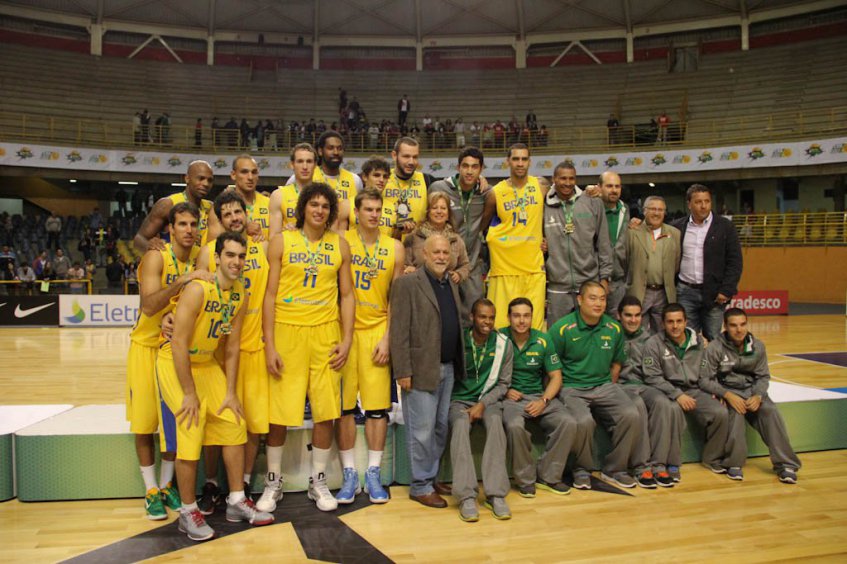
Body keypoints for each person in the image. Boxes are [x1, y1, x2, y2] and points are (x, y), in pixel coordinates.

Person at [157, 232, 274, 541]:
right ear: (217, 258)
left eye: (241, 256)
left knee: (234, 421)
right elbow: (179, 343)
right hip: (175, 362)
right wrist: (189, 393)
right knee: (192, 425)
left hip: (206, 363)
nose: (236, 262)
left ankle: (236, 500)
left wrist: (232, 392)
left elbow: (232, 348)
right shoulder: (198, 290)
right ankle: (187, 511)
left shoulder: (239, 294)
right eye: (230, 255)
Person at [262, 183, 355, 513]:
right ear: (302, 208)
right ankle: (273, 481)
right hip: (287, 332)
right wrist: (269, 344)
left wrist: (346, 339)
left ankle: (318, 481)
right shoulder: (280, 242)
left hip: (326, 333)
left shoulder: (340, 245)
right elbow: (269, 296)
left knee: (325, 411)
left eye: (325, 206)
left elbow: (347, 296)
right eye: (313, 204)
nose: (319, 210)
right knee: (279, 414)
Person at [126, 202, 209, 520]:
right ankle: (149, 491)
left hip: (174, 349)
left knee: (175, 421)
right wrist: (182, 281)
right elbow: (149, 306)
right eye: (182, 224)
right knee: (146, 423)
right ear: (170, 229)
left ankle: (165, 485)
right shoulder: (156, 256)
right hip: (146, 346)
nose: (189, 229)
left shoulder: (201, 254)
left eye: (193, 224)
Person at [194, 191, 271, 515]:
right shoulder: (208, 253)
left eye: (239, 212)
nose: (235, 218)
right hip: (219, 353)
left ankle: (244, 483)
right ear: (219, 221)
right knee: (217, 425)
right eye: (227, 214)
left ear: (246, 213)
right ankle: (212, 483)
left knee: (252, 424)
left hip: (254, 347)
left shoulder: (264, 246)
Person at [333, 188, 405, 505]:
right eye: (369, 209)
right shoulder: (340, 241)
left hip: (377, 329)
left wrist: (389, 337)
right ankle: (350, 473)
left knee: (377, 409)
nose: (375, 215)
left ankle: (373, 473)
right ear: (357, 212)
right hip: (344, 330)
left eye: (379, 209)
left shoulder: (396, 248)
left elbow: (396, 299)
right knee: (345, 407)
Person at [390, 234, 464, 509]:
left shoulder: (450, 284)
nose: (442, 256)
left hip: (447, 368)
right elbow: (398, 331)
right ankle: (420, 485)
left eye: (446, 252)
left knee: (439, 429)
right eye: (437, 252)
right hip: (419, 369)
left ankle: (430, 478)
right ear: (424, 253)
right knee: (421, 431)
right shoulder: (407, 284)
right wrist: (403, 371)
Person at [549, 281, 645, 489]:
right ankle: (581, 469)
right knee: (583, 421)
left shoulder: (613, 328)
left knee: (631, 413)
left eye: (602, 299)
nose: (599, 303)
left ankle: (615, 469)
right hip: (572, 387)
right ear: (580, 300)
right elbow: (550, 368)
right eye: (593, 298)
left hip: (604, 385)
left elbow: (617, 362)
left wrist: (607, 390)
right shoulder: (561, 329)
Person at [699, 308, 801, 483]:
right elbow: (704, 380)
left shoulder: (758, 346)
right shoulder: (715, 348)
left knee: (770, 411)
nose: (739, 330)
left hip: (752, 391)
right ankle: (734, 463)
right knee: (735, 413)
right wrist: (726, 395)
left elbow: (763, 376)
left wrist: (759, 395)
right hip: (729, 391)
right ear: (725, 326)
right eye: (733, 325)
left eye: (742, 324)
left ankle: (785, 464)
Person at [501, 297, 587, 496]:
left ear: (532, 318)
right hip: (511, 398)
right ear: (508, 318)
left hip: (539, 396)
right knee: (514, 426)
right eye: (516, 316)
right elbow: (487, 373)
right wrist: (504, 390)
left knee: (568, 422)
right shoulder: (500, 338)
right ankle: (525, 480)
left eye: (526, 316)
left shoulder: (543, 339)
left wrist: (544, 401)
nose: (521, 321)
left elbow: (556, 377)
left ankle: (549, 476)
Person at [641, 303, 731, 481]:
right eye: (670, 322)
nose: (675, 326)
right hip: (667, 390)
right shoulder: (653, 343)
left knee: (720, 412)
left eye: (679, 321)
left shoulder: (699, 343)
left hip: (695, 389)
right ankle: (669, 463)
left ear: (686, 322)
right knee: (673, 412)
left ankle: (711, 458)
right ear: (663, 324)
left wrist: (716, 390)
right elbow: (652, 377)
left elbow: (709, 371)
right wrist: (677, 394)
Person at [449, 299, 512, 522]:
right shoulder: (459, 341)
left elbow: (504, 383)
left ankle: (495, 494)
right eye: (483, 317)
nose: (487, 322)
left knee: (496, 423)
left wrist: (483, 403)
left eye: (491, 317)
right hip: (459, 399)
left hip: (489, 400)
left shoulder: (504, 343)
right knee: (459, 425)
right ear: (472, 318)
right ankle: (466, 495)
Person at [617, 296, 684, 486]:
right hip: (621, 387)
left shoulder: (650, 340)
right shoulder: (611, 336)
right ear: (619, 316)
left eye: (637, 315)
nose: (633, 320)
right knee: (637, 405)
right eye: (628, 315)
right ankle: (641, 466)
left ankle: (659, 465)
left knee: (663, 402)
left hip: (645, 386)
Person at [481, 144, 547, 330]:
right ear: (507, 161)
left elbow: (561, 206)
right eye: (516, 159)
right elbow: (482, 226)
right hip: (503, 268)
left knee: (533, 327)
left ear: (529, 162)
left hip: (533, 269)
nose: (520, 163)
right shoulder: (496, 192)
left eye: (524, 159)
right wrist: (494, 241)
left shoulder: (541, 186)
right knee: (500, 327)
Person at [429, 147, 493, 324]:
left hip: (471, 265)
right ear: (458, 167)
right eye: (465, 166)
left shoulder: (486, 193)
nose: (469, 171)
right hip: (444, 265)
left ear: (481, 169)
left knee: (474, 316)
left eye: (474, 167)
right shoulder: (439, 187)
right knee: (444, 316)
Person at [672, 184, 743, 341]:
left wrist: (727, 289)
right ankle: (693, 366)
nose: (703, 206)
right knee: (688, 338)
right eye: (698, 202)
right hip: (685, 292)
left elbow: (735, 261)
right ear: (689, 204)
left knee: (713, 337)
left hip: (715, 294)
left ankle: (715, 366)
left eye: (707, 201)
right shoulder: (676, 227)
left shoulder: (725, 227)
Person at [543, 162, 612, 325]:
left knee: (591, 334)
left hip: (588, 282)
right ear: (554, 179)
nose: (567, 183)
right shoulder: (543, 204)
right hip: (557, 286)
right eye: (563, 178)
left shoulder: (592, 202)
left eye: (571, 178)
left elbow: (603, 243)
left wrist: (605, 278)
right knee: (558, 336)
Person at [134, 160, 214, 253]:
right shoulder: (168, 204)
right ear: (187, 178)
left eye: (210, 180)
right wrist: (153, 249)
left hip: (202, 265)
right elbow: (139, 239)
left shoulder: (212, 208)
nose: (206, 184)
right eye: (201, 178)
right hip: (174, 265)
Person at [626, 196, 680, 333]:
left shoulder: (674, 234)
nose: (656, 213)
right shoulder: (632, 231)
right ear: (644, 211)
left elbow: (676, 263)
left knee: (663, 334)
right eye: (653, 209)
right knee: (637, 333)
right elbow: (625, 260)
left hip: (664, 293)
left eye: (660, 210)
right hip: (639, 291)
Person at [403, 192, 470, 284]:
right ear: (428, 212)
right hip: (418, 287)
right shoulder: (413, 237)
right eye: (434, 208)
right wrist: (408, 269)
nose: (439, 211)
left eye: (443, 208)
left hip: (447, 289)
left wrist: (459, 274)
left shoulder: (456, 239)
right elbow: (403, 263)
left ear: (448, 213)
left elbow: (465, 265)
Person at [287, 130, 362, 204]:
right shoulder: (304, 176)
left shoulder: (355, 180)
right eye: (330, 148)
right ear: (320, 151)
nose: (336, 152)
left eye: (339, 148)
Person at [207, 155, 270, 241]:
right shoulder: (219, 208)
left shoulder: (270, 204)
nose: (250, 177)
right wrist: (243, 230)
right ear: (233, 175)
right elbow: (214, 246)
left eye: (254, 172)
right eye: (244, 172)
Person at [384, 137, 428, 240]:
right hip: (386, 248)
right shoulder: (382, 178)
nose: (411, 162)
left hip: (416, 249)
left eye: (415, 157)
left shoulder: (426, 180)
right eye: (406, 156)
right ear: (394, 156)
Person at [269, 143, 317, 235]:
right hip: (289, 248)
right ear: (292, 164)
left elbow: (331, 233)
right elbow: (273, 238)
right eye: (300, 161)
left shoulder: (324, 195)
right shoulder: (279, 196)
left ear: (315, 165)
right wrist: (284, 231)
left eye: (309, 161)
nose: (305, 167)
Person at [599, 172, 629, 317]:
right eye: (609, 186)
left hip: (618, 281)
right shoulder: (590, 207)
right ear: (599, 187)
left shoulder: (625, 210)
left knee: (616, 325)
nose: (614, 190)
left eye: (617, 186)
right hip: (595, 280)